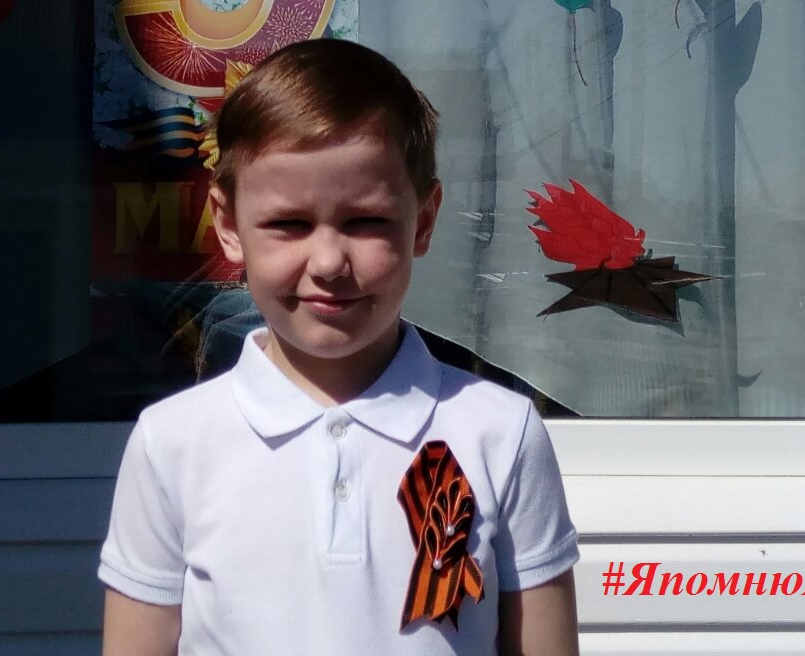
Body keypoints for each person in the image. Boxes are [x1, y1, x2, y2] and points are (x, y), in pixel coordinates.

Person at [99, 38, 579, 655]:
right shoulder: (172, 443)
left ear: (423, 220)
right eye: (289, 224)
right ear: (228, 224)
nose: (328, 262)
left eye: (365, 222)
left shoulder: (501, 434)